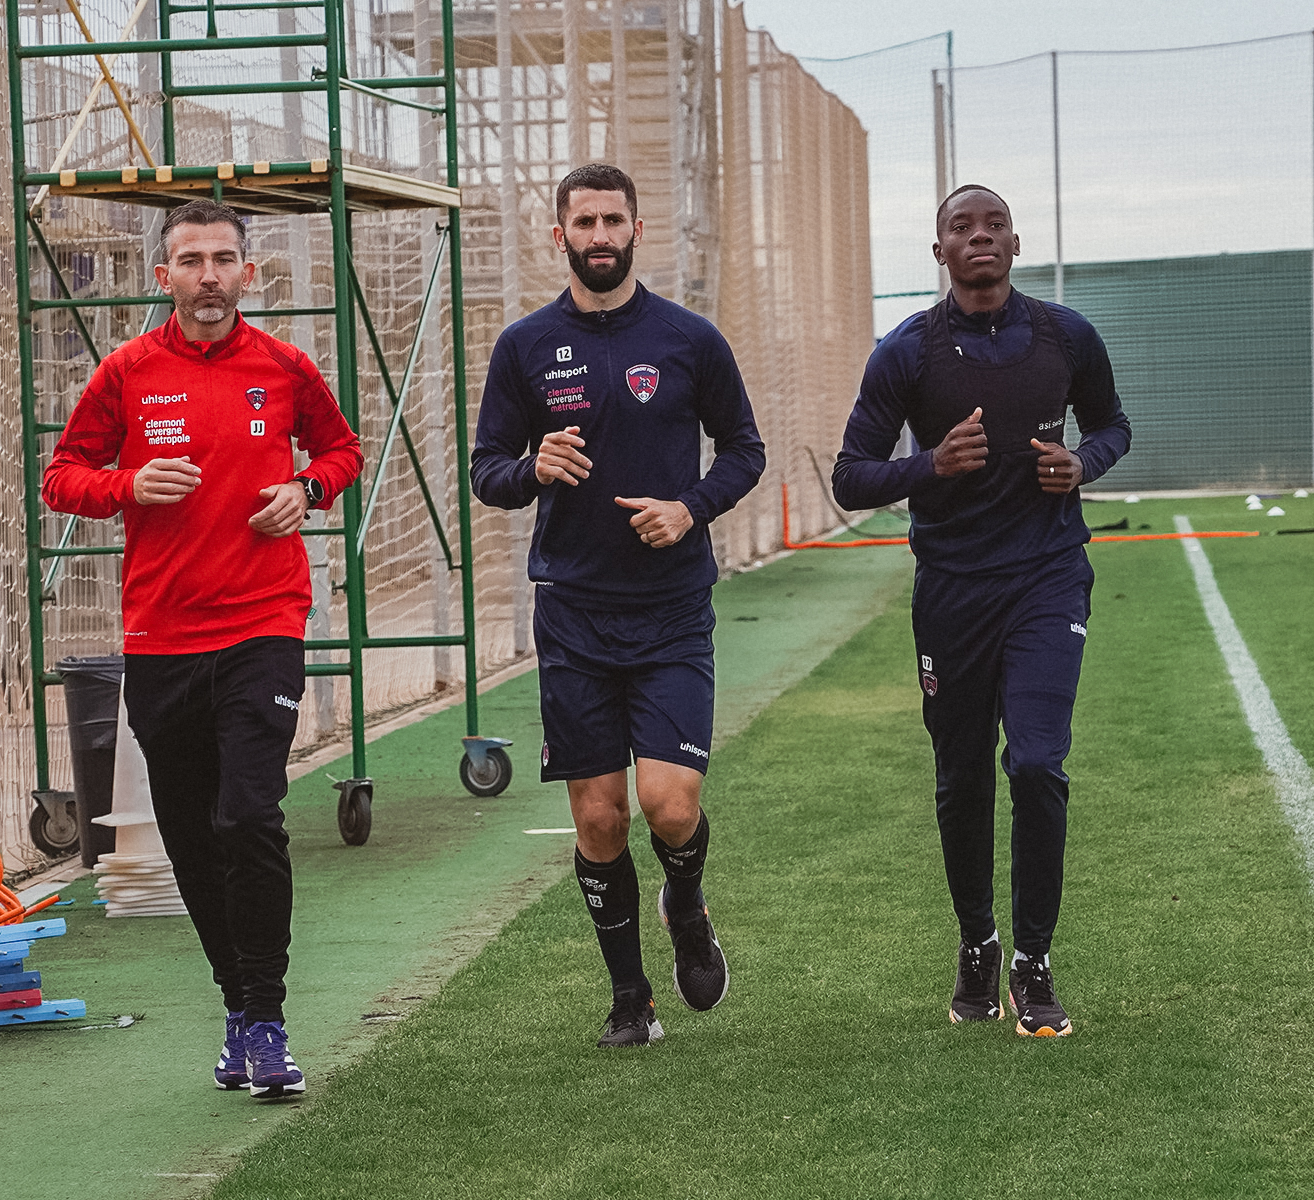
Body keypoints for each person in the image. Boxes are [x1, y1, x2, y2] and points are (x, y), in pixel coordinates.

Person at [42, 198, 363, 1094]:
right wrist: (129, 483)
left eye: (225, 259)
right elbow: (61, 477)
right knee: (189, 834)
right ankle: (236, 1006)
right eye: (192, 260)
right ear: (165, 277)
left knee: (249, 817)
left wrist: (307, 489)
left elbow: (343, 451)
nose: (210, 275)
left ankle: (268, 1017)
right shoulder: (127, 373)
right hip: (161, 637)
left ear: (247, 275)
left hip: (264, 622)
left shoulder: (284, 366)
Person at [471, 164, 765, 1048]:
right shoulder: (524, 346)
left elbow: (744, 451)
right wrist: (533, 469)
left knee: (669, 806)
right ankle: (631, 999)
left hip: (673, 609)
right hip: (572, 614)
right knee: (599, 817)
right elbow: (489, 470)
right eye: (584, 222)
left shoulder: (689, 339)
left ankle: (687, 902)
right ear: (557, 234)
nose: (600, 235)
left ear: (639, 229)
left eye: (613, 220)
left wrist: (691, 509)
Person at [832, 184, 1131, 1037]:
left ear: (1015, 242)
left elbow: (1113, 427)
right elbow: (851, 475)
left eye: (993, 224)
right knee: (961, 776)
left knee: (1037, 763)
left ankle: (1035, 963)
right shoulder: (906, 354)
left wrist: (1082, 465)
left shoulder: (1067, 336)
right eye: (962, 228)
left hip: (1046, 579)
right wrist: (929, 466)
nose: (980, 237)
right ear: (940, 254)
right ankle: (979, 944)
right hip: (953, 593)